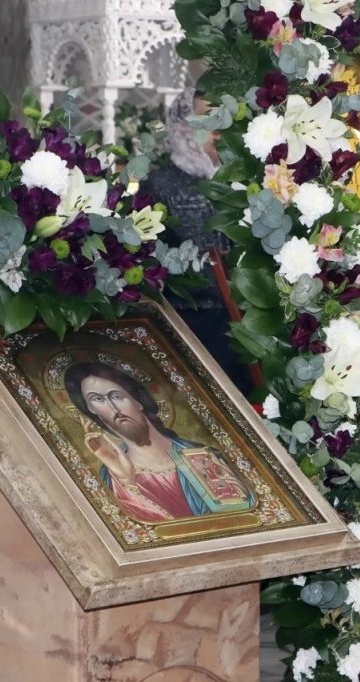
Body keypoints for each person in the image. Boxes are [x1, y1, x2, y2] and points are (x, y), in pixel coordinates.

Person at [140, 89, 255, 396]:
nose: (217, 129)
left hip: (246, 321)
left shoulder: (248, 178)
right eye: (206, 119)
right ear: (184, 126)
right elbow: (151, 258)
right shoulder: (161, 183)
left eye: (222, 118)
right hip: (193, 323)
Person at [64, 361, 253, 523]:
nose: (113, 408)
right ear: (91, 410)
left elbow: (245, 516)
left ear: (137, 400)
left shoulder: (203, 455)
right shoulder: (113, 474)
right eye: (98, 399)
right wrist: (127, 484)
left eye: (116, 396)